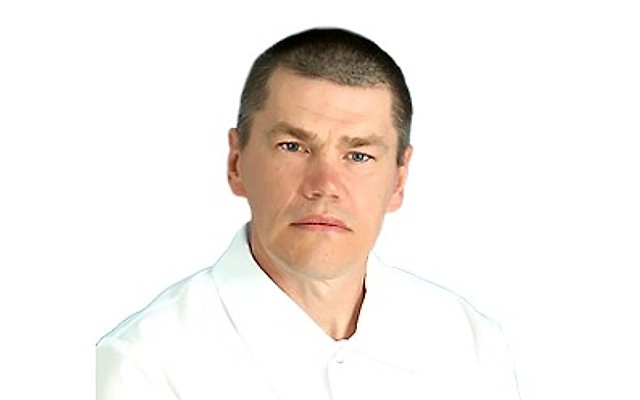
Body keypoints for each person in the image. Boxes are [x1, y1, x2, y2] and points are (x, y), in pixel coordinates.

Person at [96, 27, 521, 400]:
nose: (325, 184)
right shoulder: (143, 366)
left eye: (358, 155)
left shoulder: (471, 347)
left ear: (398, 179)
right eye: (294, 147)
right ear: (236, 162)